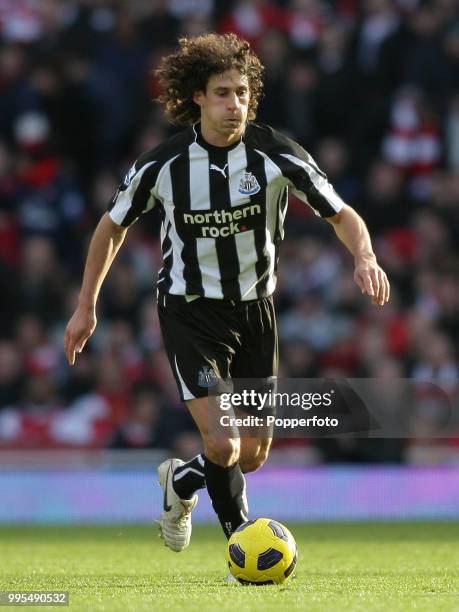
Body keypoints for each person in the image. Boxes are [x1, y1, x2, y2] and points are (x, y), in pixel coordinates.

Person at [64, 33, 390, 557]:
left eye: (241, 92)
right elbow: (110, 228)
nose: (234, 103)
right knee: (223, 442)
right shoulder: (163, 165)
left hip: (256, 312)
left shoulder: (277, 154)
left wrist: (365, 256)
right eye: (222, 93)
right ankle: (241, 541)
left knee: (253, 454)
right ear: (198, 96)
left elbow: (341, 213)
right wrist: (87, 305)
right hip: (190, 312)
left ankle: (181, 482)